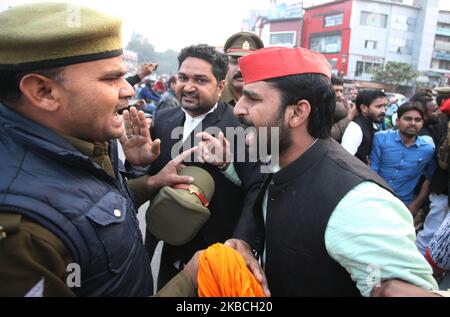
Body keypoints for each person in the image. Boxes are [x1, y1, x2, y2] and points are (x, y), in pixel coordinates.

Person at [0, 2, 199, 297]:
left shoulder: (81, 136)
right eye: (111, 78)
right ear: (44, 92)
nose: (129, 90)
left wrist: (148, 181)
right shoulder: (22, 233)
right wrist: (189, 281)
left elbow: (90, 213)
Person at [226, 46, 437, 296]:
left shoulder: (358, 202)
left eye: (253, 98)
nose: (238, 108)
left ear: (297, 113)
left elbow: (397, 288)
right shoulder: (275, 160)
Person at [146, 44, 263, 291]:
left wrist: (227, 166)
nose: (188, 87)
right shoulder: (164, 119)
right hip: (168, 246)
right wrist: (138, 163)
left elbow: (257, 190)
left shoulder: (243, 128)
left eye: (200, 80)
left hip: (215, 256)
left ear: (220, 86)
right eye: (183, 78)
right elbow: (150, 177)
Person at [370, 102, 436, 216]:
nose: (413, 123)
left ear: (422, 123)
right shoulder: (381, 139)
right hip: (375, 199)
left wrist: (415, 205)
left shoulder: (428, 148)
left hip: (402, 205)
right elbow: (372, 171)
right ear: (397, 121)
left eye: (418, 120)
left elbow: (429, 179)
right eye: (408, 119)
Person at [341, 89, 387, 164]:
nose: (383, 111)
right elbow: (344, 161)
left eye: (385, 106)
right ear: (364, 108)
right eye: (379, 106)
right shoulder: (355, 129)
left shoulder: (371, 125)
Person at [220, 32, 264, 107]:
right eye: (234, 61)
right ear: (226, 64)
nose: (240, 69)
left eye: (248, 62)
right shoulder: (214, 100)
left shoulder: (266, 101)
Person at [330, 75, 357, 143]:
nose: (339, 94)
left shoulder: (344, 104)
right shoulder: (321, 106)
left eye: (341, 91)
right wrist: (349, 117)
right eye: (336, 91)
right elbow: (330, 135)